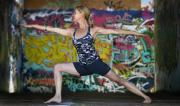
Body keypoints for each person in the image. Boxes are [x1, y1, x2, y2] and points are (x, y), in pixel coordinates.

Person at [22, 5, 151, 104]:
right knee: (57, 67)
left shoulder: (93, 30)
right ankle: (58, 96)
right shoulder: (71, 31)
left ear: (82, 14)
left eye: (75, 12)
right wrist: (32, 25)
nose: (73, 14)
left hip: (96, 64)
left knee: (120, 81)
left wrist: (136, 33)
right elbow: (52, 29)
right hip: (82, 66)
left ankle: (145, 97)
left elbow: (115, 30)